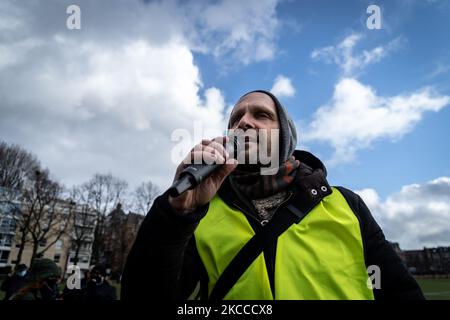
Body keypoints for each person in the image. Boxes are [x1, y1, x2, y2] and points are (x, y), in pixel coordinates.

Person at [121, 90, 425, 300]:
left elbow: (402, 294)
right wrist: (176, 215)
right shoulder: (200, 214)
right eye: (236, 118)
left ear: (284, 137)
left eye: (262, 114)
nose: (244, 122)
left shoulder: (346, 205)